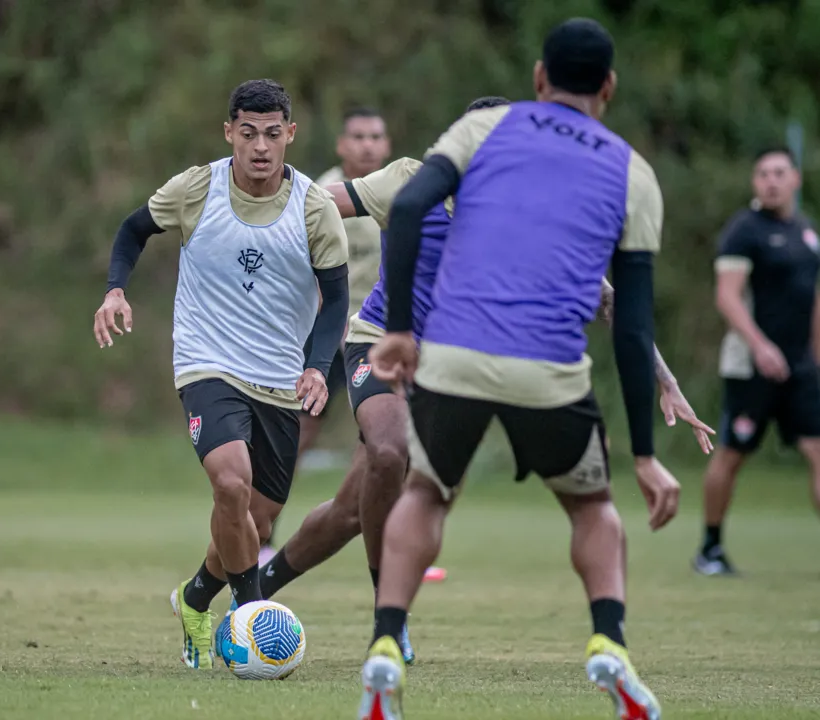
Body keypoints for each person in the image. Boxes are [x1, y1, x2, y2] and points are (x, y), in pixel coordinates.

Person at [260, 98, 713, 672]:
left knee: (351, 511)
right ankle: (387, 620)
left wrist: (667, 383)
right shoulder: (409, 179)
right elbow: (315, 208)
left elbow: (608, 301)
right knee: (390, 452)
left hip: (450, 370)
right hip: (379, 339)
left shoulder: (524, 210)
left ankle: (254, 589)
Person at [358, 19, 678, 720]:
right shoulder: (635, 174)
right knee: (592, 506)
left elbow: (409, 204)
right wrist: (647, 456)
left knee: (427, 493)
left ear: (538, 79)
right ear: (610, 88)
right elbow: (631, 322)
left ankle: (385, 643)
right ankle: (610, 641)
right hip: (551, 371)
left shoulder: (485, 132)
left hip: (456, 357)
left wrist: (403, 332)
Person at [93, 79, 349, 671]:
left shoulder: (313, 207)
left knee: (253, 523)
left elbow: (335, 300)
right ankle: (251, 622)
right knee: (229, 486)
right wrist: (114, 291)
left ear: (290, 135)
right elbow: (134, 230)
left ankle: (194, 598)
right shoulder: (197, 187)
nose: (260, 146)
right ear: (229, 132)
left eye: (272, 133)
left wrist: (315, 366)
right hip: (206, 364)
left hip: (279, 378)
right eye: (248, 133)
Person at [259, 106, 392, 561]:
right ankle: (262, 537)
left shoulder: (401, 194)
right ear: (341, 145)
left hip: (379, 336)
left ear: (387, 145)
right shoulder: (321, 194)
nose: (367, 144)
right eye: (358, 136)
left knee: (396, 437)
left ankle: (401, 542)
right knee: (298, 432)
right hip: (326, 335)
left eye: (376, 136)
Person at [694, 147, 820, 577]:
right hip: (751, 365)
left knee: (817, 451)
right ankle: (710, 549)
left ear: (795, 180)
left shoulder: (807, 233)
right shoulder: (744, 231)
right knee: (732, 453)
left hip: (801, 368)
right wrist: (761, 345)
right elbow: (727, 296)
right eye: (763, 173)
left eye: (779, 173)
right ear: (754, 182)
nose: (771, 181)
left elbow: (813, 299)